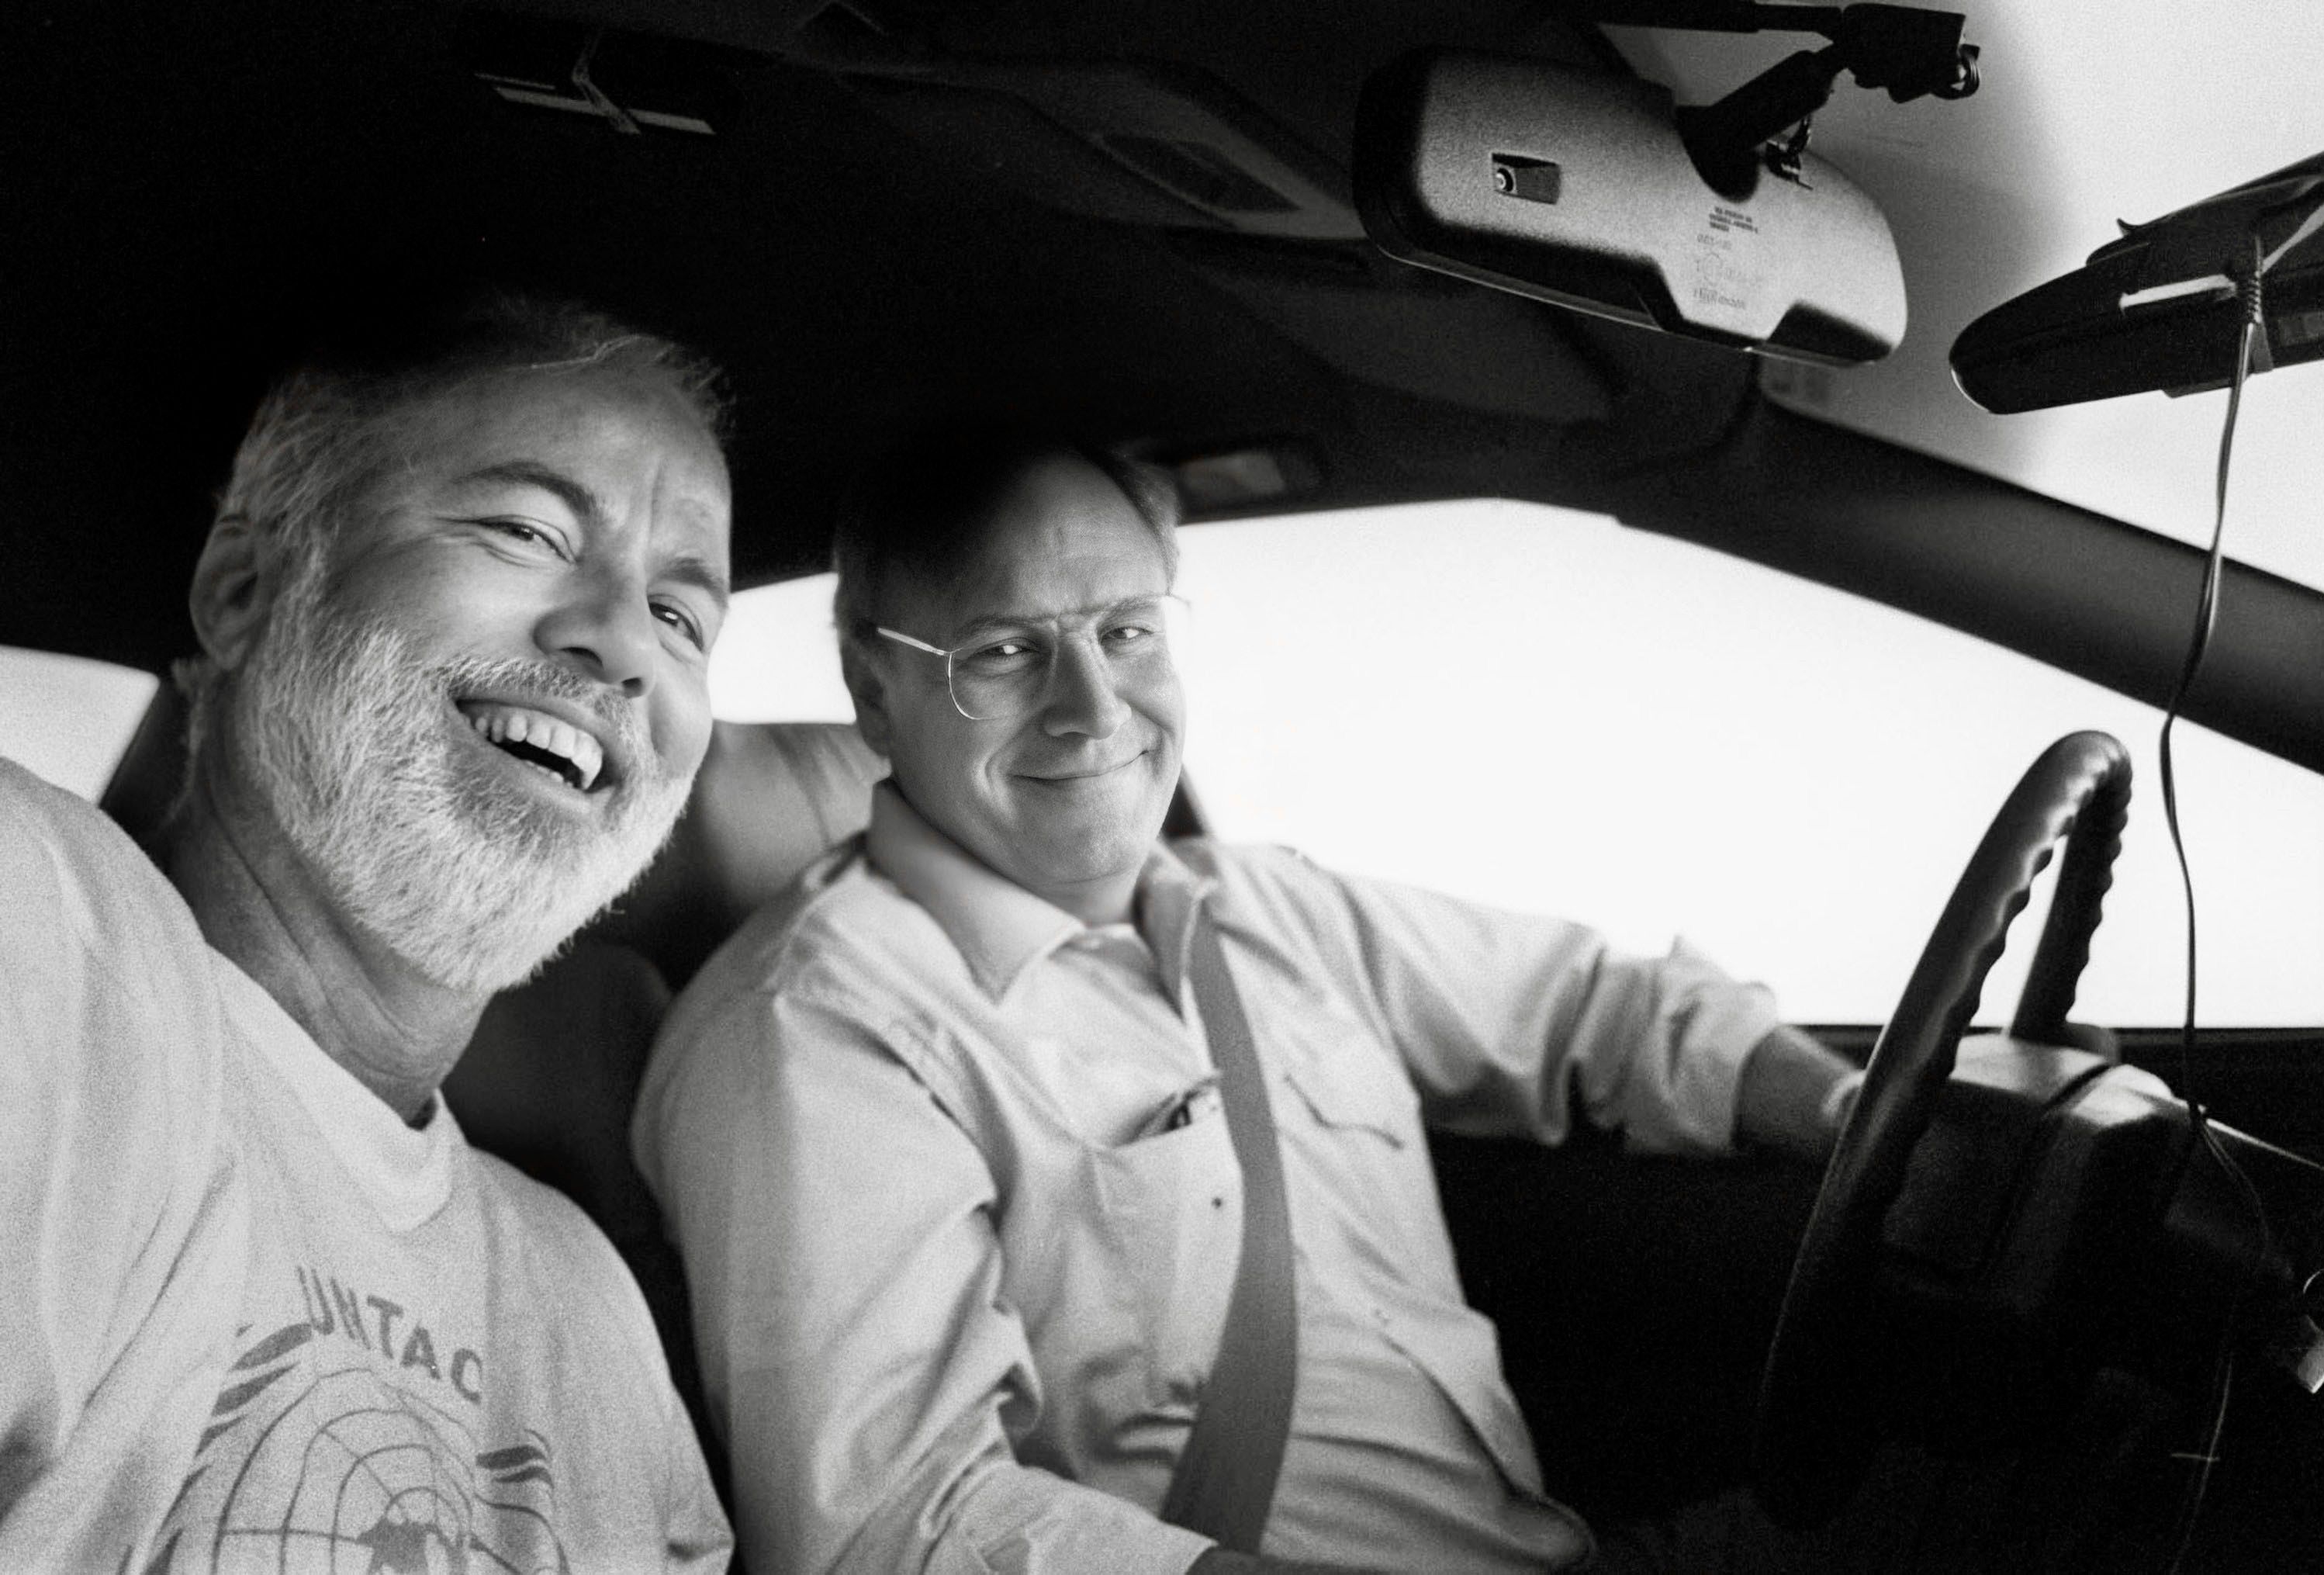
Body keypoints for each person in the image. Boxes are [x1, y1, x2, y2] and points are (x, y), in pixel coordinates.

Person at [632, 428, 1860, 1575]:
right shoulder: (821, 1025)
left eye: (1126, 631)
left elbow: (1598, 1003)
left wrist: (1853, 1109)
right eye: (1005, 650)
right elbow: (899, 1524)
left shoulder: (1264, 908)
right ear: (875, 688)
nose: (1095, 706)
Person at [0, 296, 738, 1572]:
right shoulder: (46, 938)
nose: (623, 642)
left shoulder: (593, 1308)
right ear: (242, 590)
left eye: (682, 618)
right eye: (526, 530)